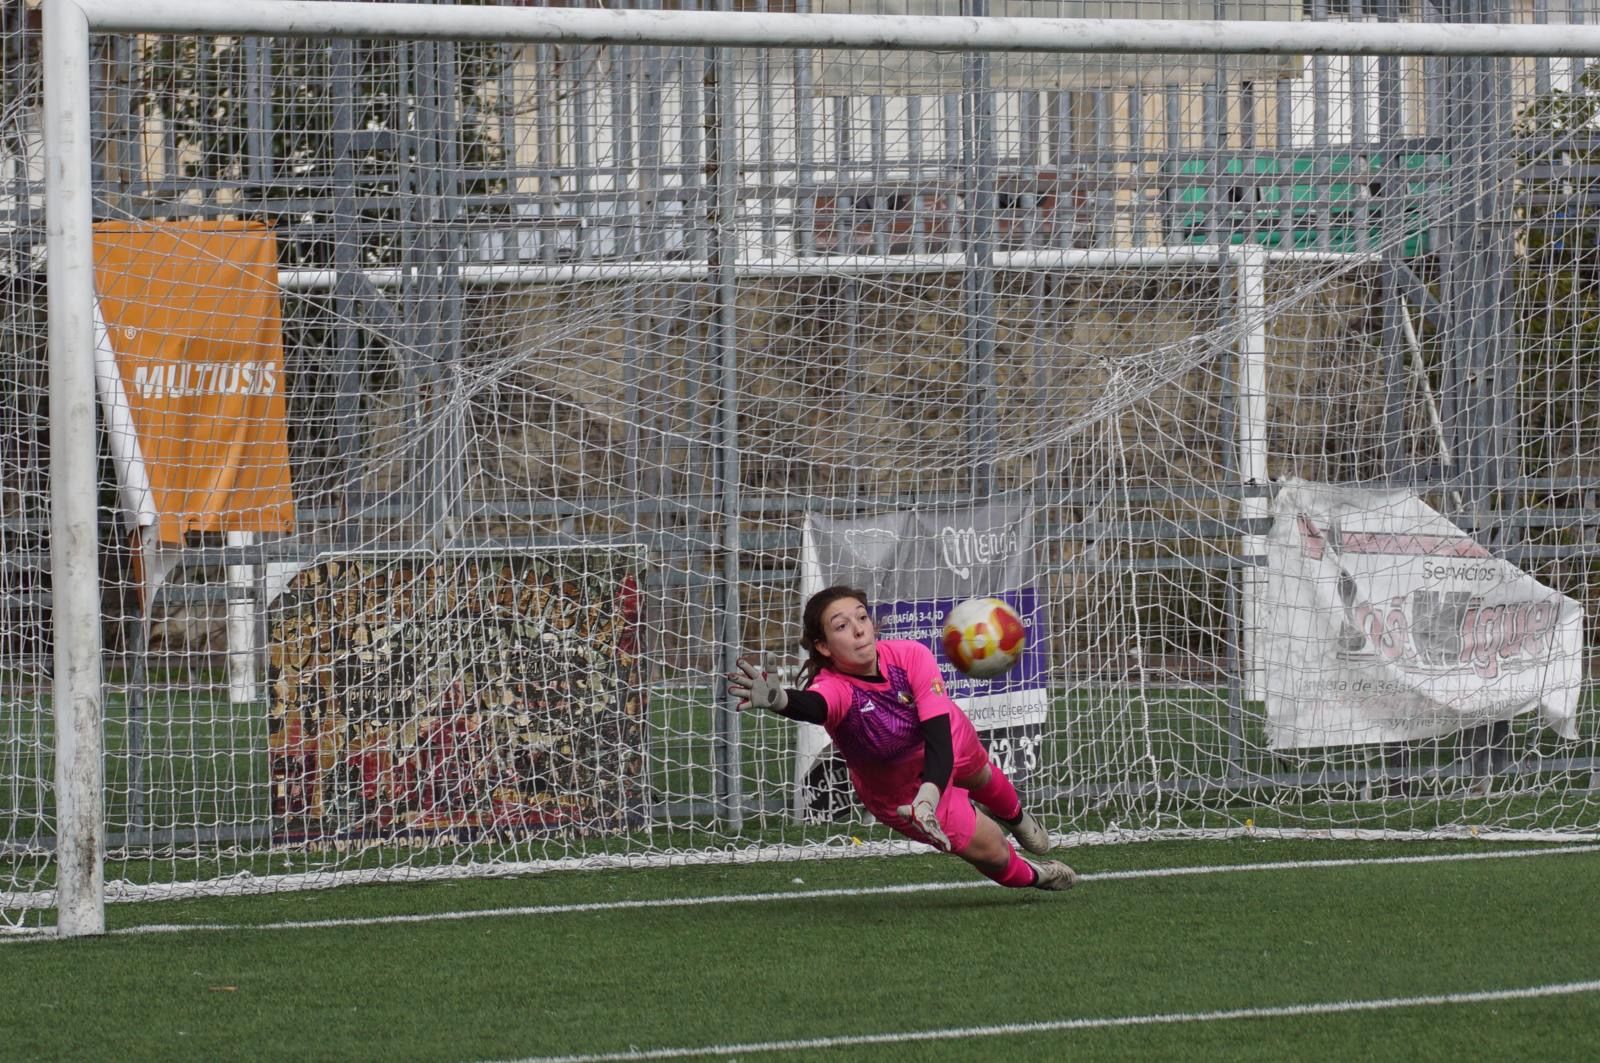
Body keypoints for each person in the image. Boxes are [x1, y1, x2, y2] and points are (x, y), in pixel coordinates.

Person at [728, 584, 1075, 892]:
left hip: (945, 740)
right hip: (897, 789)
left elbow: (939, 738)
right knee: (994, 852)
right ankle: (1035, 875)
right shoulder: (835, 688)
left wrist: (930, 794)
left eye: (861, 618)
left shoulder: (910, 655)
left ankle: (1017, 817)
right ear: (824, 646)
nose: (859, 630)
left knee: (981, 774)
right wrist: (781, 700)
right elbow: (816, 705)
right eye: (842, 626)